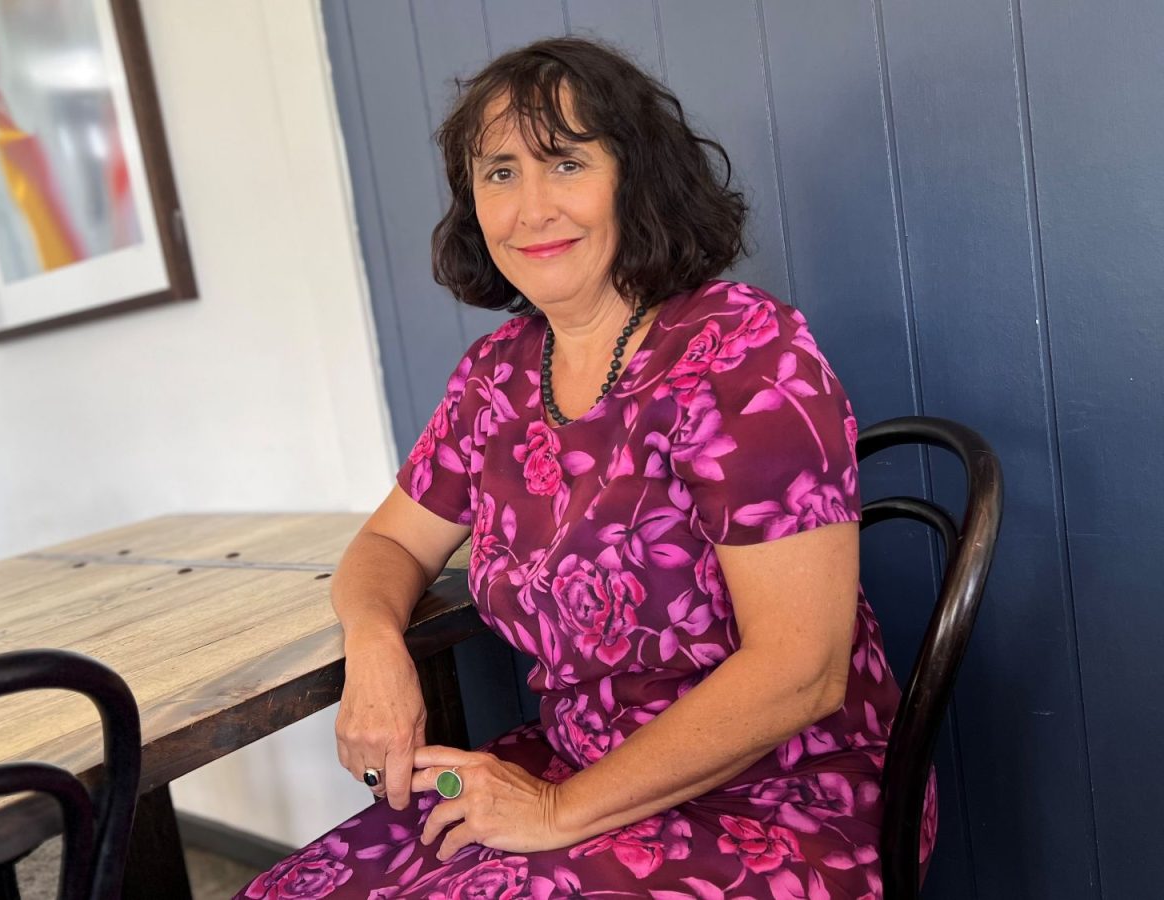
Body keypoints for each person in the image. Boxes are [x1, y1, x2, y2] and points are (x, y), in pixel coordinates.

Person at [235, 37, 935, 900]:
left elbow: (802, 670)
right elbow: (388, 544)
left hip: (782, 794)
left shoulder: (744, 354)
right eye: (498, 174)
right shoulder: (497, 375)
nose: (530, 210)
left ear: (636, 179)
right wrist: (375, 647)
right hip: (569, 765)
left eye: (564, 163)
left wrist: (559, 813)